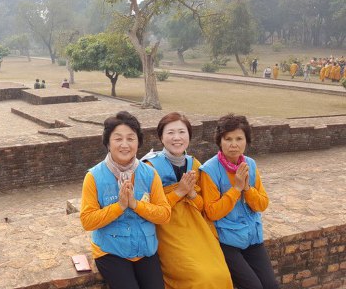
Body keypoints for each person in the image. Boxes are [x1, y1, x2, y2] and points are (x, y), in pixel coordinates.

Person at [80, 111, 171, 289]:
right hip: (110, 250)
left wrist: (136, 205)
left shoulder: (149, 174)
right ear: (107, 142)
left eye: (131, 138)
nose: (124, 145)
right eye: (118, 139)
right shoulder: (94, 177)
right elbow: (87, 221)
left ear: (138, 142)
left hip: (145, 248)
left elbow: (165, 214)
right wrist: (120, 206)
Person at [141, 112, 233, 289]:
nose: (177, 138)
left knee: (221, 274)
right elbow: (147, 211)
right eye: (170, 133)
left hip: (196, 228)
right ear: (161, 137)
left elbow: (201, 207)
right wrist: (179, 192)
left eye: (182, 132)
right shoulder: (149, 167)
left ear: (189, 136)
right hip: (168, 230)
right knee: (198, 278)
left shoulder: (195, 164)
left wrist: (190, 194)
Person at [199, 114, 278, 289]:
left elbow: (262, 204)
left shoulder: (250, 164)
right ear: (220, 141)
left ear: (246, 141)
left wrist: (247, 189)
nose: (233, 144)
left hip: (252, 237)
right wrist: (235, 190)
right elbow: (212, 212)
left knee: (271, 285)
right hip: (226, 240)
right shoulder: (209, 170)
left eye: (239, 138)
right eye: (228, 139)